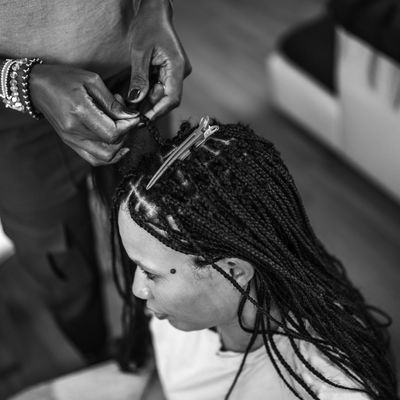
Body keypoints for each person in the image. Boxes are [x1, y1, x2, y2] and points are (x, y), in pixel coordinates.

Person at [112, 117, 398, 400]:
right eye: (136, 265)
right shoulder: (173, 316)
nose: (138, 290)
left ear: (234, 271)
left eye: (150, 273)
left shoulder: (331, 386)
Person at [0, 0, 190, 396]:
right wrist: (21, 80)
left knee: (158, 239)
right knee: (57, 263)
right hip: (9, 116)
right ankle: (96, 356)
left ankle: (153, 344)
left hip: (132, 66)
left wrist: (153, 8)